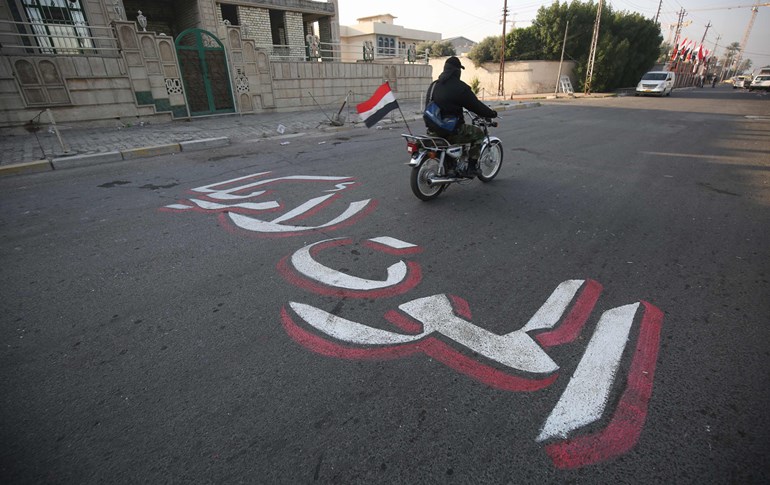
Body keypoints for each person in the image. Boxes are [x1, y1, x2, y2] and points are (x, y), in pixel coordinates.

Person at [425, 56, 497, 176]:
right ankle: (472, 167)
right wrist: (491, 113)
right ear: (457, 71)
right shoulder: (460, 88)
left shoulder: (434, 85)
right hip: (451, 131)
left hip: (432, 129)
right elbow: (476, 106)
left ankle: (450, 162)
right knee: (478, 133)